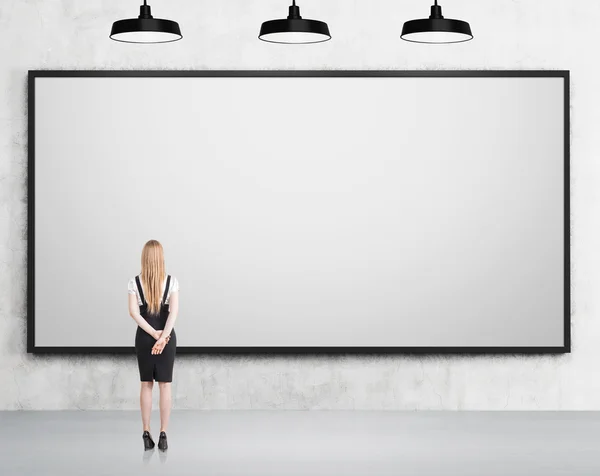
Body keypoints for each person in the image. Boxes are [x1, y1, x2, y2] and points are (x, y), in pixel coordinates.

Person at [128, 239, 180, 451]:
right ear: (161, 258)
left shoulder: (134, 282)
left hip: (144, 337)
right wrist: (164, 337)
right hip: (166, 338)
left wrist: (153, 334)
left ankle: (146, 431)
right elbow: (174, 312)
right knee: (165, 385)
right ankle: (163, 433)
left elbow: (133, 313)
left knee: (146, 384)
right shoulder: (171, 282)